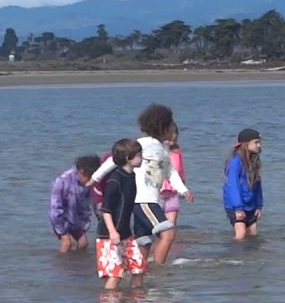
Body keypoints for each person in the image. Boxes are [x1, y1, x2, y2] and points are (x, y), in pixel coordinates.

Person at [89, 103, 193, 265]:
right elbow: (114, 160)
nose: (174, 128)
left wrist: (183, 190)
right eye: (171, 124)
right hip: (143, 200)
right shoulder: (143, 144)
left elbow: (170, 171)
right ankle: (159, 272)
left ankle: (138, 275)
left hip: (151, 200)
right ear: (163, 127)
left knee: (144, 241)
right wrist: (95, 178)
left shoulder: (163, 149)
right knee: (168, 234)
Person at [96, 139, 147, 290]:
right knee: (115, 273)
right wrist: (112, 232)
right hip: (108, 234)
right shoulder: (114, 180)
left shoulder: (131, 177)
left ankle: (133, 301)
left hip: (126, 233)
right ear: (128, 158)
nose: (142, 158)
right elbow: (106, 209)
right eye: (139, 155)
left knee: (139, 267)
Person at [50, 154, 100, 253]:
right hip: (60, 219)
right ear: (82, 172)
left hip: (76, 219)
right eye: (90, 178)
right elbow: (54, 207)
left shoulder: (87, 184)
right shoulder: (62, 181)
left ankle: (76, 264)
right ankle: (62, 263)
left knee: (83, 243)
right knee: (67, 243)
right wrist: (61, 229)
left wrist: (86, 222)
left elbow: (88, 203)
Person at [224, 129, 264, 240]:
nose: (259, 145)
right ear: (245, 144)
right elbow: (233, 185)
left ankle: (249, 257)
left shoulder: (253, 161)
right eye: (256, 142)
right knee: (241, 233)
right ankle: (234, 256)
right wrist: (238, 208)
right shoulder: (235, 162)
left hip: (251, 205)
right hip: (235, 205)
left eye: (259, 142)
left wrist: (259, 205)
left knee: (253, 233)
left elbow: (257, 185)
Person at [160, 124, 186, 226]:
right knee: (158, 219)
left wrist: (183, 185)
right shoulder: (157, 152)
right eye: (169, 140)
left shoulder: (177, 152)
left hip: (173, 190)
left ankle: (171, 238)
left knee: (172, 219)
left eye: (174, 140)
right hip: (160, 190)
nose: (171, 143)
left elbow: (181, 168)